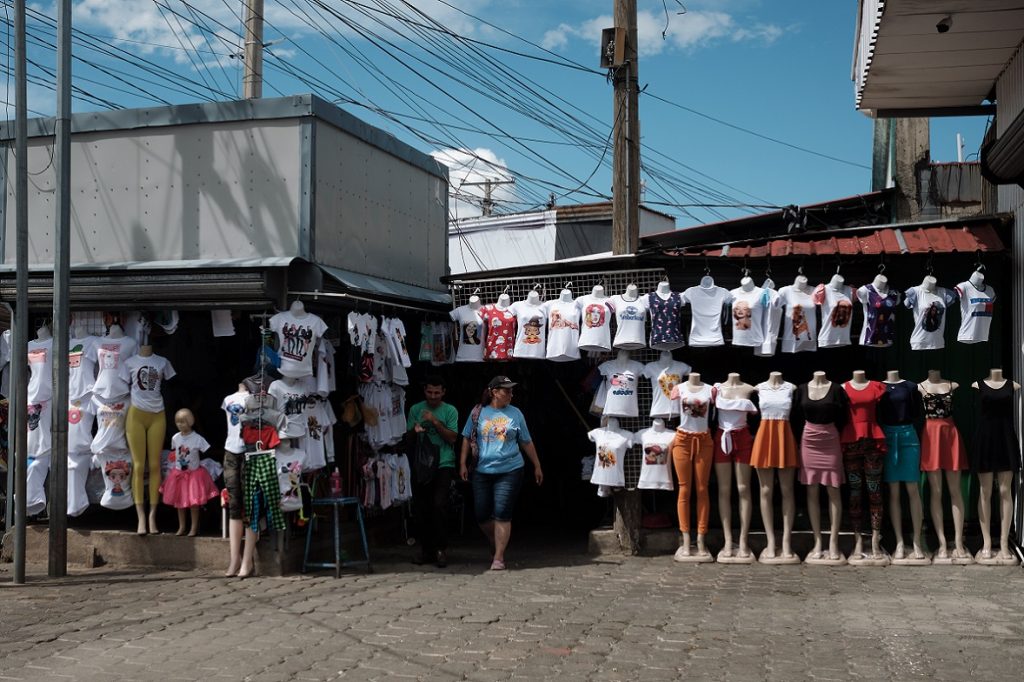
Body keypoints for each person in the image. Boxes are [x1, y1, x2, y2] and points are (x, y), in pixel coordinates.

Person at [459, 375, 543, 570]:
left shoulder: (516, 414)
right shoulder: (478, 412)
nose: (511, 394)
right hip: (482, 470)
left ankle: (498, 556)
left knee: (502, 513)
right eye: (506, 391)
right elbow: (466, 437)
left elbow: (526, 441)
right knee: (481, 514)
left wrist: (537, 465)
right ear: (494, 392)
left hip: (510, 469)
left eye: (512, 391)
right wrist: (463, 463)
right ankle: (495, 540)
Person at [406, 375, 459, 567]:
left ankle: (440, 549)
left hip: (444, 463)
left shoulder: (450, 411)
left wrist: (435, 422)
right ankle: (426, 550)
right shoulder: (415, 409)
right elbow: (407, 438)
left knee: (439, 506)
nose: (433, 396)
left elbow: (453, 438)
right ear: (424, 391)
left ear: (443, 392)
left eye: (437, 392)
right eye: (430, 392)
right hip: (422, 465)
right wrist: (415, 431)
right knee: (422, 509)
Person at [160, 408, 219, 536]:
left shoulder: (198, 439)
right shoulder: (175, 438)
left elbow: (206, 449)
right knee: (179, 503)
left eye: (183, 422)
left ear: (191, 422)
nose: (180, 425)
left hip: (194, 476)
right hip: (178, 474)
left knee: (194, 503)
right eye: (178, 422)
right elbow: (175, 451)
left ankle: (193, 527)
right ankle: (181, 527)